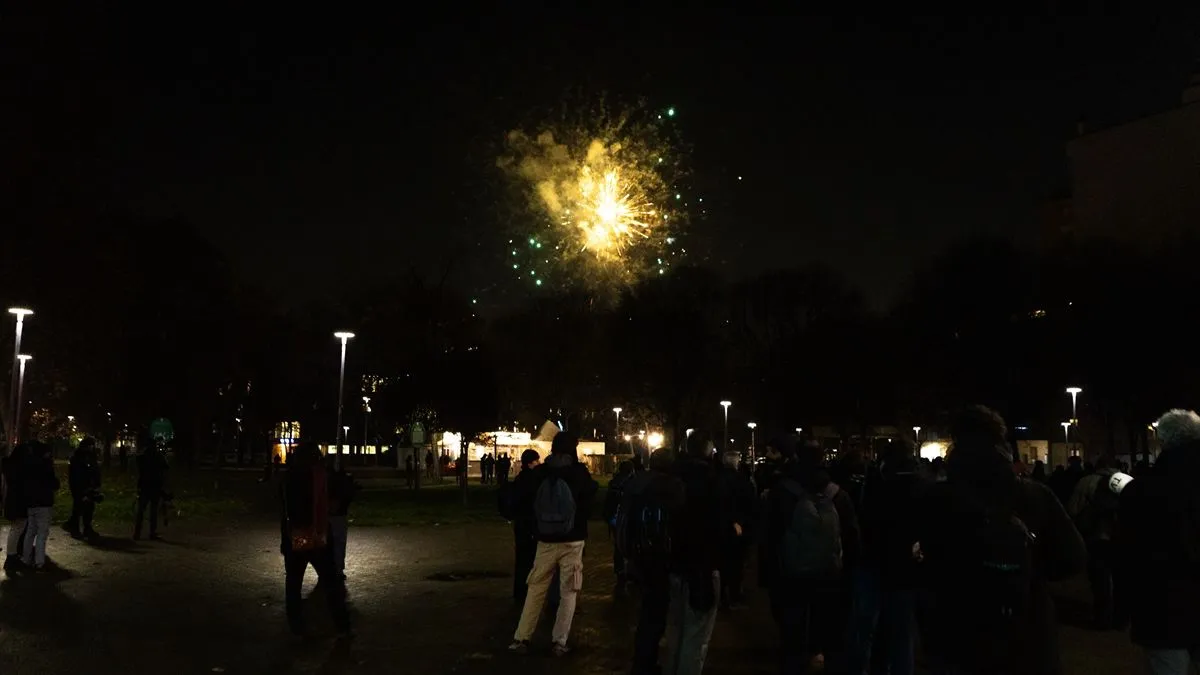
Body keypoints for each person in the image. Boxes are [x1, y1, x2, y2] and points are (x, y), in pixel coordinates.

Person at [916, 406, 1085, 675]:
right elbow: (1073, 557)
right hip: (1027, 636)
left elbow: (922, 564)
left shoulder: (936, 500)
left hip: (958, 638)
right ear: (1001, 442)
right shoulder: (1035, 495)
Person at [761, 439, 860, 675]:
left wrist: (768, 575)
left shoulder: (782, 491)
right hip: (829, 575)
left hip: (791, 575)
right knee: (829, 633)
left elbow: (769, 536)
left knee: (792, 636)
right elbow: (852, 536)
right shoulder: (837, 494)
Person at [1117, 409, 1200, 674]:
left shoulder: (1142, 491)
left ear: (1162, 440)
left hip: (1162, 611)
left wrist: (1123, 607)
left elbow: (1126, 553)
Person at [508, 432, 598, 656]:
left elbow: (523, 499)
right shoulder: (579, 473)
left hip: (545, 539)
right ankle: (559, 641)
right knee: (569, 591)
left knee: (536, 588)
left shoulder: (540, 472)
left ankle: (521, 637)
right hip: (573, 539)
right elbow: (590, 498)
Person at [848, 438, 926, 675]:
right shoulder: (918, 486)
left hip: (871, 563)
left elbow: (863, 521)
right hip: (903, 568)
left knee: (865, 630)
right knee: (902, 634)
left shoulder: (874, 483)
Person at [661, 430, 729, 675]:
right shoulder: (715, 481)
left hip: (673, 564)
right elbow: (720, 526)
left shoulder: (669, 477)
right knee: (696, 636)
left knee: (675, 632)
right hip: (703, 565)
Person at [619, 448, 685, 675]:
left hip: (637, 553)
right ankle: (647, 662)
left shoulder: (636, 482)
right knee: (656, 612)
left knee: (647, 610)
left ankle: (642, 659)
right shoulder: (670, 486)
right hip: (658, 555)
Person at [279, 442, 350, 638]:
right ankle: (342, 625)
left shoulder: (290, 476)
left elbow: (286, 510)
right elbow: (332, 503)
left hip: (296, 536)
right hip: (319, 536)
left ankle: (296, 625)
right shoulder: (321, 475)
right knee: (331, 582)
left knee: (293, 583)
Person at [1067, 454, 1121, 629]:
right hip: (1121, 536)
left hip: (1096, 536)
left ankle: (1103, 616)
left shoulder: (1086, 481)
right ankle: (1121, 617)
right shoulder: (1126, 481)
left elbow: (1073, 508)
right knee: (1120, 576)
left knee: (1100, 577)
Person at [501, 449, 541, 604]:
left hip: (520, 523)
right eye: (536, 461)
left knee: (521, 558)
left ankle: (519, 591)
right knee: (531, 558)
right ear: (531, 462)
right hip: (530, 523)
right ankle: (528, 591)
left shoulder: (520, 478)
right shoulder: (533, 480)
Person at [717, 450, 756, 609]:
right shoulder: (741, 480)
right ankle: (734, 595)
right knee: (736, 563)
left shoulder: (717, 479)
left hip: (722, 527)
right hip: (737, 526)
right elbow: (747, 503)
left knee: (724, 562)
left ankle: (722, 595)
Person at [22, 441, 59, 570]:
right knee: (42, 533)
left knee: (30, 531)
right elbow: (54, 483)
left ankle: (26, 559)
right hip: (44, 503)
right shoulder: (46, 465)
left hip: (31, 502)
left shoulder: (28, 464)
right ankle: (39, 561)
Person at [604, 460, 636, 586]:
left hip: (614, 517)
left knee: (618, 544)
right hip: (625, 517)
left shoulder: (614, 482)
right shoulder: (630, 483)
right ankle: (628, 570)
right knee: (628, 543)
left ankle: (620, 570)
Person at [327, 458, 360, 580]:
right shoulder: (344, 479)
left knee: (331, 543)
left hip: (332, 515)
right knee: (339, 542)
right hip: (339, 515)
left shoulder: (329, 478)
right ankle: (337, 569)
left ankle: (332, 569)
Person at [65, 438, 102, 539]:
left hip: (89, 486)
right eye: (90, 445)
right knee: (79, 508)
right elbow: (77, 475)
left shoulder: (90, 456)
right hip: (80, 487)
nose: (92, 447)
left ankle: (86, 528)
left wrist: (96, 485)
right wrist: (81, 490)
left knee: (88, 508)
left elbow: (95, 471)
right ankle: (75, 528)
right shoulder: (78, 458)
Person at [2, 443, 30, 571]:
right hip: (19, 502)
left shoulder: (9, 466)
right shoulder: (21, 468)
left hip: (11, 501)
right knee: (17, 528)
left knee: (16, 529)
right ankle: (11, 556)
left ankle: (12, 556)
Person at [133, 442, 169, 540]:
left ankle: (137, 532)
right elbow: (166, 467)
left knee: (141, 510)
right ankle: (152, 532)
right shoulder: (158, 456)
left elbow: (138, 464)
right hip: (155, 486)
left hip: (145, 485)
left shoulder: (142, 457)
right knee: (153, 511)